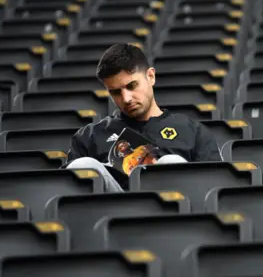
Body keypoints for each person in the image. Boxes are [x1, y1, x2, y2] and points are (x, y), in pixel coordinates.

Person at [65, 43, 223, 192]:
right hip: (111, 212)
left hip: (172, 214)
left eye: (131, 86)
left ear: (151, 76)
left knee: (171, 163)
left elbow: (212, 187)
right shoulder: (89, 136)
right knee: (83, 165)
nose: (126, 98)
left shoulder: (193, 132)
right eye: (115, 92)